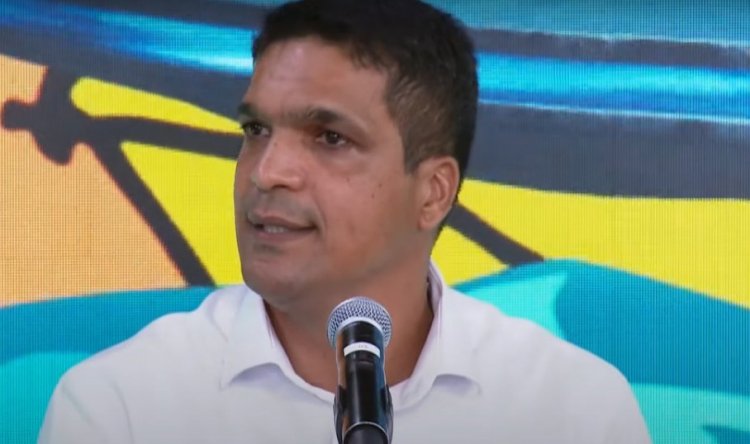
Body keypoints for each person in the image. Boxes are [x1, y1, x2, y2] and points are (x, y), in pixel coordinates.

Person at [38, 0, 651, 443]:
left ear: (434, 192)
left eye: (330, 137)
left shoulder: (572, 411)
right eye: (256, 130)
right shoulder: (122, 407)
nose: (267, 171)